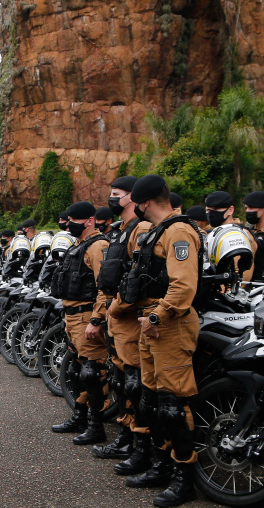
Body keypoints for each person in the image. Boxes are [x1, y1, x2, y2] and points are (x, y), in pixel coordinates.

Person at [121, 175, 203, 507]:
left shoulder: (179, 231)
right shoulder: (159, 230)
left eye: (135, 203)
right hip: (150, 323)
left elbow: (183, 285)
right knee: (150, 402)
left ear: (145, 202)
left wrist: (158, 317)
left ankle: (185, 480)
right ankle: (161, 466)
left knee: (172, 407)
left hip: (170, 324)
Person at [97, 176, 155, 473]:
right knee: (121, 380)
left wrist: (117, 307)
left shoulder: (140, 229)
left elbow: (137, 279)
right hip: (116, 316)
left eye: (116, 193)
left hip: (128, 317)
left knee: (134, 383)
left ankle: (139, 445)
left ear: (132, 197)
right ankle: (125, 436)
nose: (111, 198)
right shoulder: (122, 230)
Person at [50, 201, 111, 445]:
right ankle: (79, 416)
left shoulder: (98, 246)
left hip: (87, 315)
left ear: (89, 220)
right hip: (73, 315)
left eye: (74, 220)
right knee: (75, 371)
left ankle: (96, 426)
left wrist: (96, 319)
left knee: (91, 372)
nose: (69, 225)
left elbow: (104, 287)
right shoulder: (78, 245)